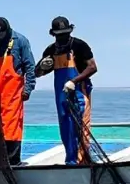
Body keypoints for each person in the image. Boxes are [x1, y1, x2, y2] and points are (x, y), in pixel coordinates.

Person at [35, 16, 97, 165]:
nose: (62, 37)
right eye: (59, 34)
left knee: (80, 127)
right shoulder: (51, 50)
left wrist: (74, 81)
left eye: (65, 33)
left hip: (79, 92)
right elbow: (38, 73)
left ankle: (81, 162)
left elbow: (92, 67)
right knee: (66, 128)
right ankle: (71, 160)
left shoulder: (79, 45)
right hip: (61, 95)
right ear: (53, 34)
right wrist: (42, 66)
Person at [0, 17, 36, 166]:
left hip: (13, 93)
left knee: (11, 127)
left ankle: (12, 162)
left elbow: (30, 67)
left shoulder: (21, 41)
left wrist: (28, 89)